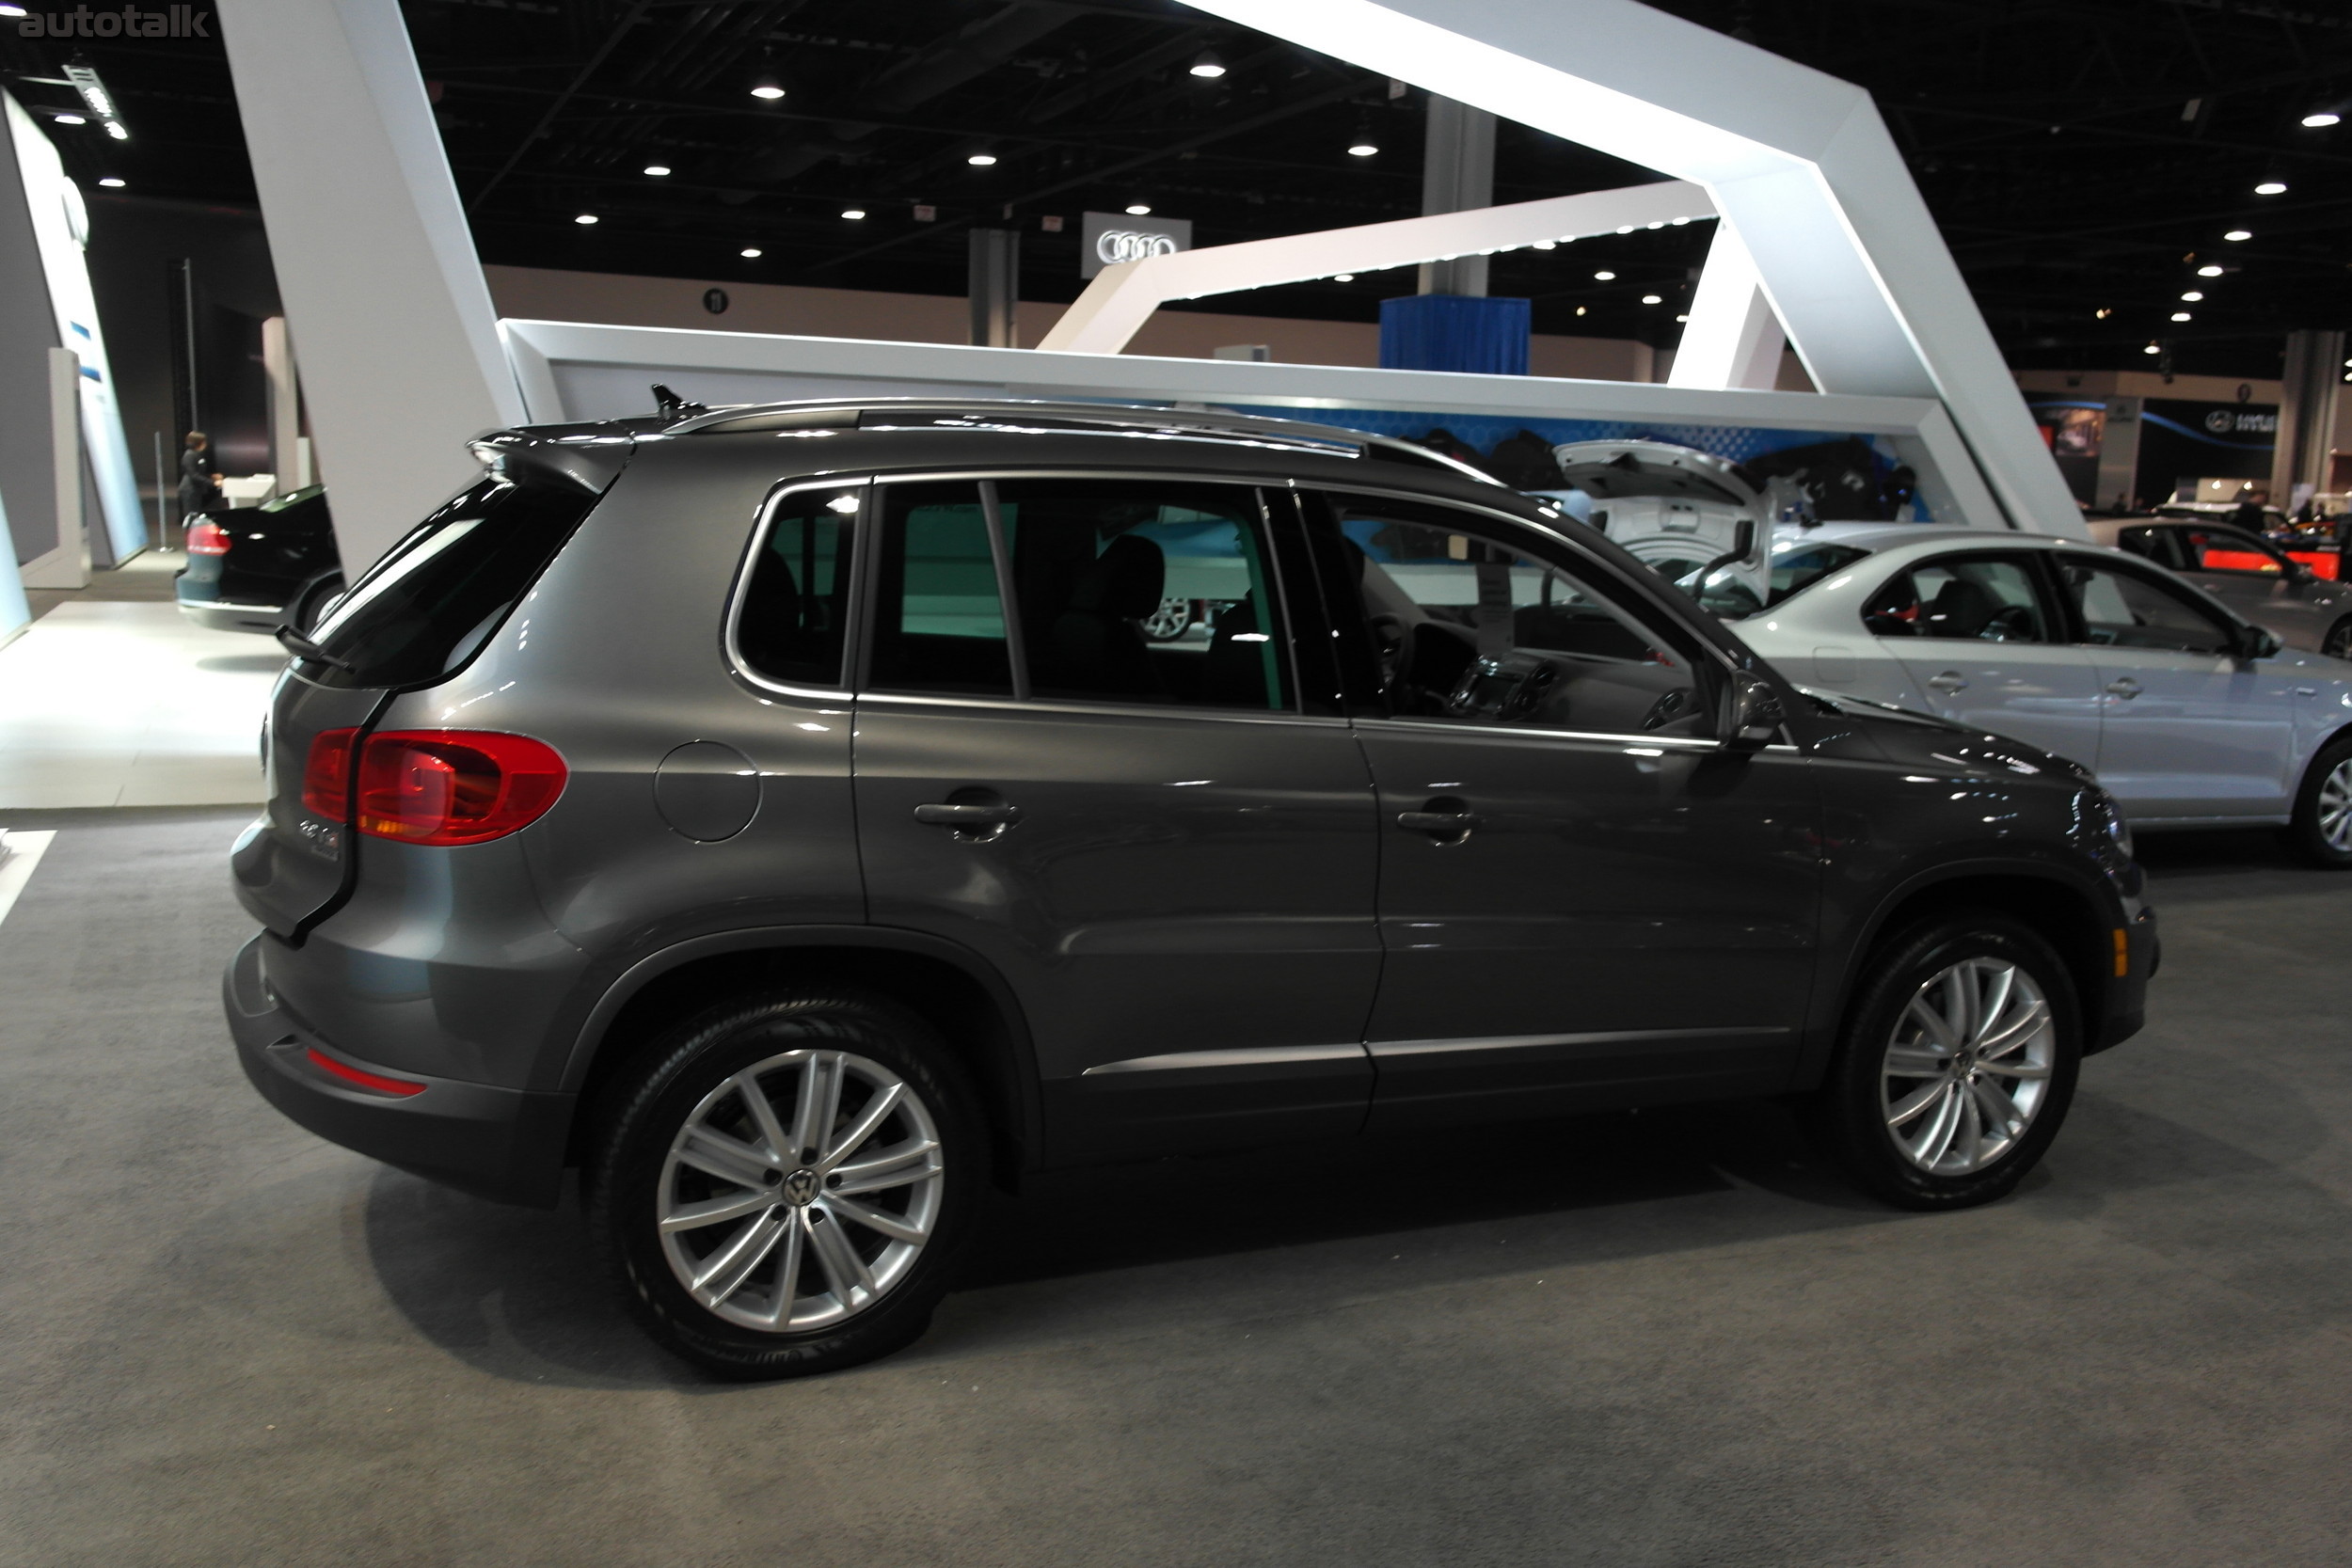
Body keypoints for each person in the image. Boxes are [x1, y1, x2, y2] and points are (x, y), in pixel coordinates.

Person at [177, 431, 223, 520]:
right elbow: (194, 475)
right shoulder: (189, 455)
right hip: (189, 490)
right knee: (191, 517)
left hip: (196, 490)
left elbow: (199, 472)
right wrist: (213, 483)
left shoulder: (197, 454)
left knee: (196, 515)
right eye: (203, 442)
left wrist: (212, 476)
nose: (205, 444)